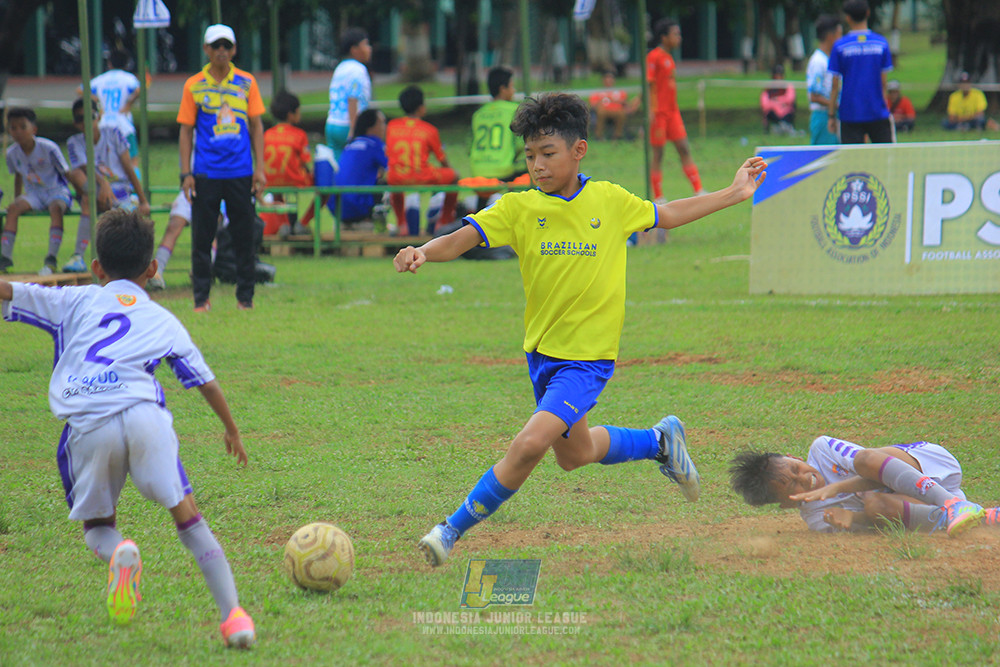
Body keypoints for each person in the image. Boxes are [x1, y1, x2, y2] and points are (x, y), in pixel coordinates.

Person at [393, 93, 767, 567]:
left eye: (547, 154)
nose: (537, 165)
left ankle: (449, 531)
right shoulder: (518, 207)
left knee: (530, 445)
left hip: (587, 359)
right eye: (529, 156)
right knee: (575, 454)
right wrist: (423, 249)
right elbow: (461, 239)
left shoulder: (609, 201)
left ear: (578, 150)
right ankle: (660, 441)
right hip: (543, 356)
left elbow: (667, 214)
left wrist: (733, 193)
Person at [0, 208, 255, 648]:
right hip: (144, 417)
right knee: (190, 521)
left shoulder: (74, 299)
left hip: (88, 423)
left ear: (97, 268)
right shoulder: (163, 319)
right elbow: (206, 382)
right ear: (152, 269)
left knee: (98, 527)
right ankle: (235, 618)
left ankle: (118, 552)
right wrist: (231, 429)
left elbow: (8, 291)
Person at [728, 436, 993, 535]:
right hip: (918, 502)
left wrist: (837, 488)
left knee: (865, 459)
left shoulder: (821, 450)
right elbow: (881, 522)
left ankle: (953, 505)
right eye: (792, 486)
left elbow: (879, 466)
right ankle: (981, 516)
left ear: (795, 458)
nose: (804, 477)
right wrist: (855, 517)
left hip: (927, 465)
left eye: (796, 468)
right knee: (875, 506)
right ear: (786, 503)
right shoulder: (818, 519)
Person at [177, 24, 266, 312]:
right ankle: (201, 298)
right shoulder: (194, 85)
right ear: (206, 49)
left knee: (244, 236)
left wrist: (260, 169)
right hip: (206, 172)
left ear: (235, 49)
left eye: (227, 46)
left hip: (240, 172)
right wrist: (186, 173)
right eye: (216, 46)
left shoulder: (246, 83)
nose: (222, 52)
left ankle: (245, 298)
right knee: (202, 238)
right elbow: (186, 131)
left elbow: (256, 127)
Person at [63, 98, 151, 273]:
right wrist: (103, 183)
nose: (86, 122)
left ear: (99, 115)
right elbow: (83, 170)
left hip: (119, 189)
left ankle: (80, 255)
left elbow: (128, 167)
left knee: (96, 202)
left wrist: (143, 200)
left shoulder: (113, 134)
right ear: (75, 122)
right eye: (80, 118)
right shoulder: (74, 142)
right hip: (93, 189)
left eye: (91, 116)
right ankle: (79, 257)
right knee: (78, 177)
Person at [2, 107, 73, 276]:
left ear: (33, 129)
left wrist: (76, 193)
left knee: (56, 208)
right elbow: (19, 175)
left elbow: (65, 172)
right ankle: (5, 258)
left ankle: (51, 259)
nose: (18, 132)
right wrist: (18, 198)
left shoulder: (48, 148)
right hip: (33, 193)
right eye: (13, 128)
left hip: (55, 190)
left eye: (22, 127)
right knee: (13, 209)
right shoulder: (12, 153)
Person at [386, 85, 459, 235]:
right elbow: (442, 159)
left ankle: (401, 223)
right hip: (422, 176)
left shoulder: (391, 126)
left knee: (393, 178)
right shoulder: (428, 129)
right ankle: (444, 220)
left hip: (398, 177)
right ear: (421, 107)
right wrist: (449, 170)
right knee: (454, 177)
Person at [647, 18, 704, 202]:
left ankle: (698, 190)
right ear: (664, 37)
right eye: (675, 34)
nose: (679, 38)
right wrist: (650, 111)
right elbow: (649, 86)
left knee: (684, 148)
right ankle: (658, 196)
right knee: (658, 153)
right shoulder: (654, 57)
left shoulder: (669, 58)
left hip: (673, 113)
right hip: (659, 113)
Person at [827, 0, 894, 144]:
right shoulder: (881, 43)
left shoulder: (840, 46)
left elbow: (835, 85)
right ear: (868, 13)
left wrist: (831, 115)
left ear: (848, 18)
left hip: (850, 114)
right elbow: (884, 83)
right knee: (884, 158)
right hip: (878, 112)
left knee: (852, 162)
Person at [262, 90, 313, 235]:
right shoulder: (299, 134)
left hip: (270, 181)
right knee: (325, 187)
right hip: (294, 180)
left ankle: (284, 224)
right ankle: (302, 223)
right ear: (291, 115)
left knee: (277, 188)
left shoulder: (267, 134)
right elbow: (305, 161)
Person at [81, 50, 142, 169]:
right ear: (126, 64)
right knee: (132, 159)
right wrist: (129, 104)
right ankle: (134, 185)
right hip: (123, 122)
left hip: (104, 122)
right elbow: (140, 89)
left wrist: (97, 101)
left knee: (105, 158)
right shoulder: (129, 78)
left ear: (109, 63)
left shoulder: (101, 79)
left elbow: (81, 90)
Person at [332, 108, 388, 224]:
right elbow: (392, 167)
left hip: (337, 208)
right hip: (358, 207)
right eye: (382, 122)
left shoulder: (350, 145)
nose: (384, 127)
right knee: (389, 184)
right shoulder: (374, 145)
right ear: (371, 126)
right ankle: (378, 224)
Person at [325, 28, 373, 162]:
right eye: (366, 44)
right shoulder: (358, 70)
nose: (369, 49)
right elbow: (353, 99)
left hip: (332, 124)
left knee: (337, 167)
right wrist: (354, 130)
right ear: (354, 49)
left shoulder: (340, 68)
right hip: (347, 125)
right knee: (355, 167)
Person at [470, 66, 525, 180]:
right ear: (503, 89)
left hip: (478, 170)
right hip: (502, 171)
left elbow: (469, 146)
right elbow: (521, 144)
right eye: (512, 86)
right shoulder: (514, 110)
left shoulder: (478, 114)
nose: (514, 90)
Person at [807, 14, 843, 145]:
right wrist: (834, 105)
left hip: (832, 114)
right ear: (830, 36)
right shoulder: (818, 61)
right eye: (839, 34)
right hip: (823, 116)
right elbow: (814, 96)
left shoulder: (831, 59)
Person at [589, 70, 639, 141]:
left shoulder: (620, 92)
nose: (609, 81)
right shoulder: (598, 92)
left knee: (621, 113)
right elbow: (593, 105)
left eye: (611, 78)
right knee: (601, 112)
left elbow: (625, 104)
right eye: (607, 78)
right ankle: (599, 135)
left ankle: (618, 135)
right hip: (603, 111)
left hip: (617, 111)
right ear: (603, 80)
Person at [760, 64, 797, 135]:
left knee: (788, 112)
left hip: (785, 112)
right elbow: (765, 105)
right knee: (769, 113)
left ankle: (783, 128)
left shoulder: (788, 86)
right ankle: (779, 128)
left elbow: (790, 99)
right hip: (774, 113)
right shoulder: (768, 89)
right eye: (777, 75)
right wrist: (777, 104)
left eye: (780, 75)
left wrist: (776, 100)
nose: (779, 78)